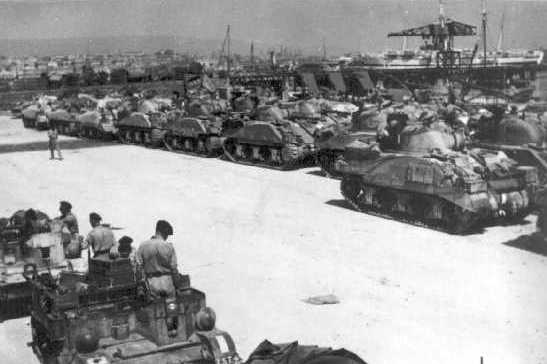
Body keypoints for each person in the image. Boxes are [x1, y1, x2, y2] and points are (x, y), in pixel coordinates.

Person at [136, 220, 178, 298]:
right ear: (164, 233)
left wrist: (140, 288)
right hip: (167, 283)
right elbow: (174, 269)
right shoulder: (169, 246)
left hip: (151, 284)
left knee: (153, 308)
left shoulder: (143, 246)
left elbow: (138, 269)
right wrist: (177, 285)